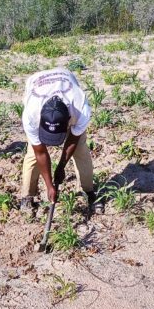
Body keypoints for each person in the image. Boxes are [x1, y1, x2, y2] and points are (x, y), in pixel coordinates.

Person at [20, 68, 103, 216]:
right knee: (32, 153)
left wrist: (61, 166)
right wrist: (49, 185)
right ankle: (27, 196)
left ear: (67, 122)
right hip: (37, 83)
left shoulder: (80, 108)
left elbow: (73, 140)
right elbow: (40, 152)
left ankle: (87, 190)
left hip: (66, 82)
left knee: (80, 149)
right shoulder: (31, 114)